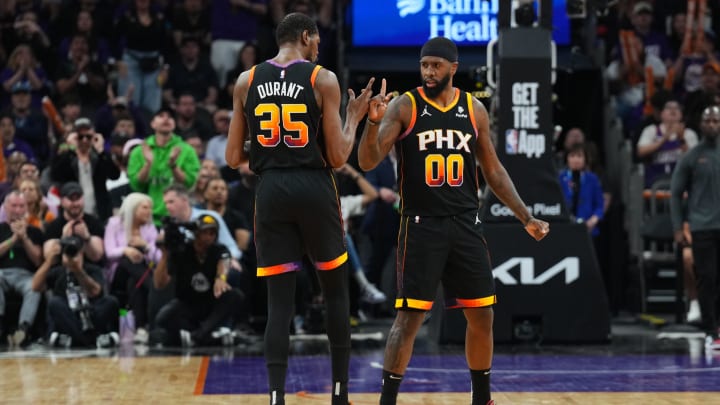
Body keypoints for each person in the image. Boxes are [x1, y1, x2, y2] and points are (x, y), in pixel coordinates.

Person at [357, 37, 550, 405]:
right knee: (409, 319)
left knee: (483, 316)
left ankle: (482, 398)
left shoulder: (472, 109)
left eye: (436, 65)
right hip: (421, 223)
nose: (429, 72)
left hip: (464, 223)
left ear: (453, 67)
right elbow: (368, 161)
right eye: (424, 65)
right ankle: (387, 400)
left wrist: (525, 216)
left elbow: (493, 170)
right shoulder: (406, 105)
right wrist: (372, 122)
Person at [225, 12, 373, 405]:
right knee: (336, 292)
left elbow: (231, 155)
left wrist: (270, 147)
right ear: (306, 37)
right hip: (314, 186)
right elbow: (340, 155)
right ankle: (340, 395)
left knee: (279, 303)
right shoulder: (321, 78)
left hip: (270, 188)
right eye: (317, 40)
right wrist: (353, 119)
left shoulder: (246, 80)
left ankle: (276, 398)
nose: (319, 46)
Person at [670, 106, 720, 351]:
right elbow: (676, 193)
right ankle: (711, 330)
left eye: (715, 120)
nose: (711, 124)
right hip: (702, 227)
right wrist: (678, 227)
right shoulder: (692, 156)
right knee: (707, 278)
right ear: (700, 124)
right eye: (707, 120)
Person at [153, 214, 244, 347]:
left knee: (235, 295)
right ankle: (211, 337)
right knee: (163, 318)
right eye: (205, 232)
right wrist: (165, 254)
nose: (209, 236)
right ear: (196, 233)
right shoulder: (182, 251)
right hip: (188, 303)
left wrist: (221, 278)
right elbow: (159, 284)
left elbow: (224, 260)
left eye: (212, 233)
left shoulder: (218, 249)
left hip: (211, 303)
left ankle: (197, 336)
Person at [0, 191, 44, 346]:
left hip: (25, 275)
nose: (17, 210)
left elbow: (38, 260)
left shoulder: (35, 232)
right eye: (13, 206)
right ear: (5, 207)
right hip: (2, 274)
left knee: (35, 286)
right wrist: (13, 239)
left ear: (26, 208)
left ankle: (24, 329)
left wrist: (24, 238)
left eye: (21, 206)